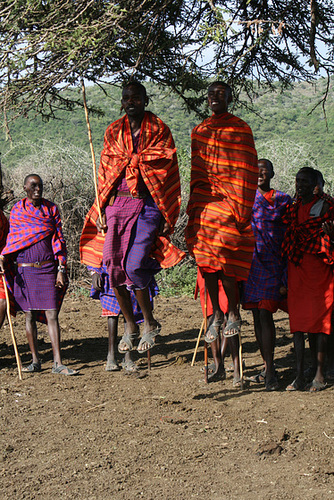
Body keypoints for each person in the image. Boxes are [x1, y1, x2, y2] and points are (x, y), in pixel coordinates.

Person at [80, 82, 184, 355]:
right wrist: (100, 210)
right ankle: (130, 325)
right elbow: (105, 174)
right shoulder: (113, 131)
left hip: (148, 205)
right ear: (122, 101)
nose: (130, 102)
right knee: (113, 268)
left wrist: (165, 211)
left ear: (145, 100)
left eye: (136, 97)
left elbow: (167, 169)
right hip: (116, 205)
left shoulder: (159, 130)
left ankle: (149, 322)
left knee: (135, 265)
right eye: (126, 98)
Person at [185, 81, 258, 384]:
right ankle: (218, 314)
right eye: (210, 94)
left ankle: (234, 313)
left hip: (231, 203)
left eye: (221, 94)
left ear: (230, 98)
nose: (215, 98)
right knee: (205, 258)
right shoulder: (199, 131)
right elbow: (197, 170)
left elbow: (247, 168)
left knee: (224, 252)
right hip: (206, 202)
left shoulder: (240, 128)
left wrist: (238, 204)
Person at [0, 174, 77, 375]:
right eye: (33, 186)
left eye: (40, 186)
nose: (37, 189)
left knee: (52, 314)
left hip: (48, 268)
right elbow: (13, 242)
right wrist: (3, 258)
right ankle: (35, 361)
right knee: (30, 315)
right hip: (25, 271)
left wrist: (61, 269)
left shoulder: (51, 209)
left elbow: (59, 240)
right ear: (24, 187)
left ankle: (58, 363)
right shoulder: (18, 211)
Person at [282, 167, 334, 391]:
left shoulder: (327, 206)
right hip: (297, 269)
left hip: (321, 272)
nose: (299, 184)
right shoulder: (292, 209)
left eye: (304, 181)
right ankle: (300, 374)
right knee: (299, 324)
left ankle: (320, 375)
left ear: (315, 184)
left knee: (321, 323)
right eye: (297, 181)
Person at [242, 159, 291, 391]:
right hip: (252, 264)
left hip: (275, 264)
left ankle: (270, 370)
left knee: (266, 313)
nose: (260, 172)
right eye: (256, 169)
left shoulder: (283, 200)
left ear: (272, 173)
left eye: (264, 169)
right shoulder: (245, 199)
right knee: (257, 316)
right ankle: (267, 367)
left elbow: (290, 231)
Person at [89, 264, 158, 372]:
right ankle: (111, 356)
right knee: (112, 312)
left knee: (132, 310)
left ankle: (128, 357)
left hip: (132, 267)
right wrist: (94, 270)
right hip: (109, 268)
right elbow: (94, 247)